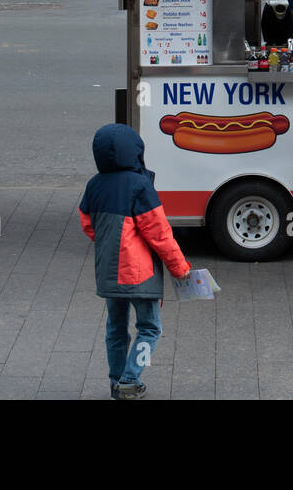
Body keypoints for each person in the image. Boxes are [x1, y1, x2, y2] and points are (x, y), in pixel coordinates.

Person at [80, 123, 191, 400]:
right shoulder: (139, 185)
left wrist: (110, 243)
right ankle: (130, 380)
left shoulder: (94, 184)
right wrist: (180, 269)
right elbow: (160, 234)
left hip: (108, 273)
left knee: (116, 329)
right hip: (137, 274)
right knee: (150, 328)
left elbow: (88, 225)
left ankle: (116, 381)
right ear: (135, 152)